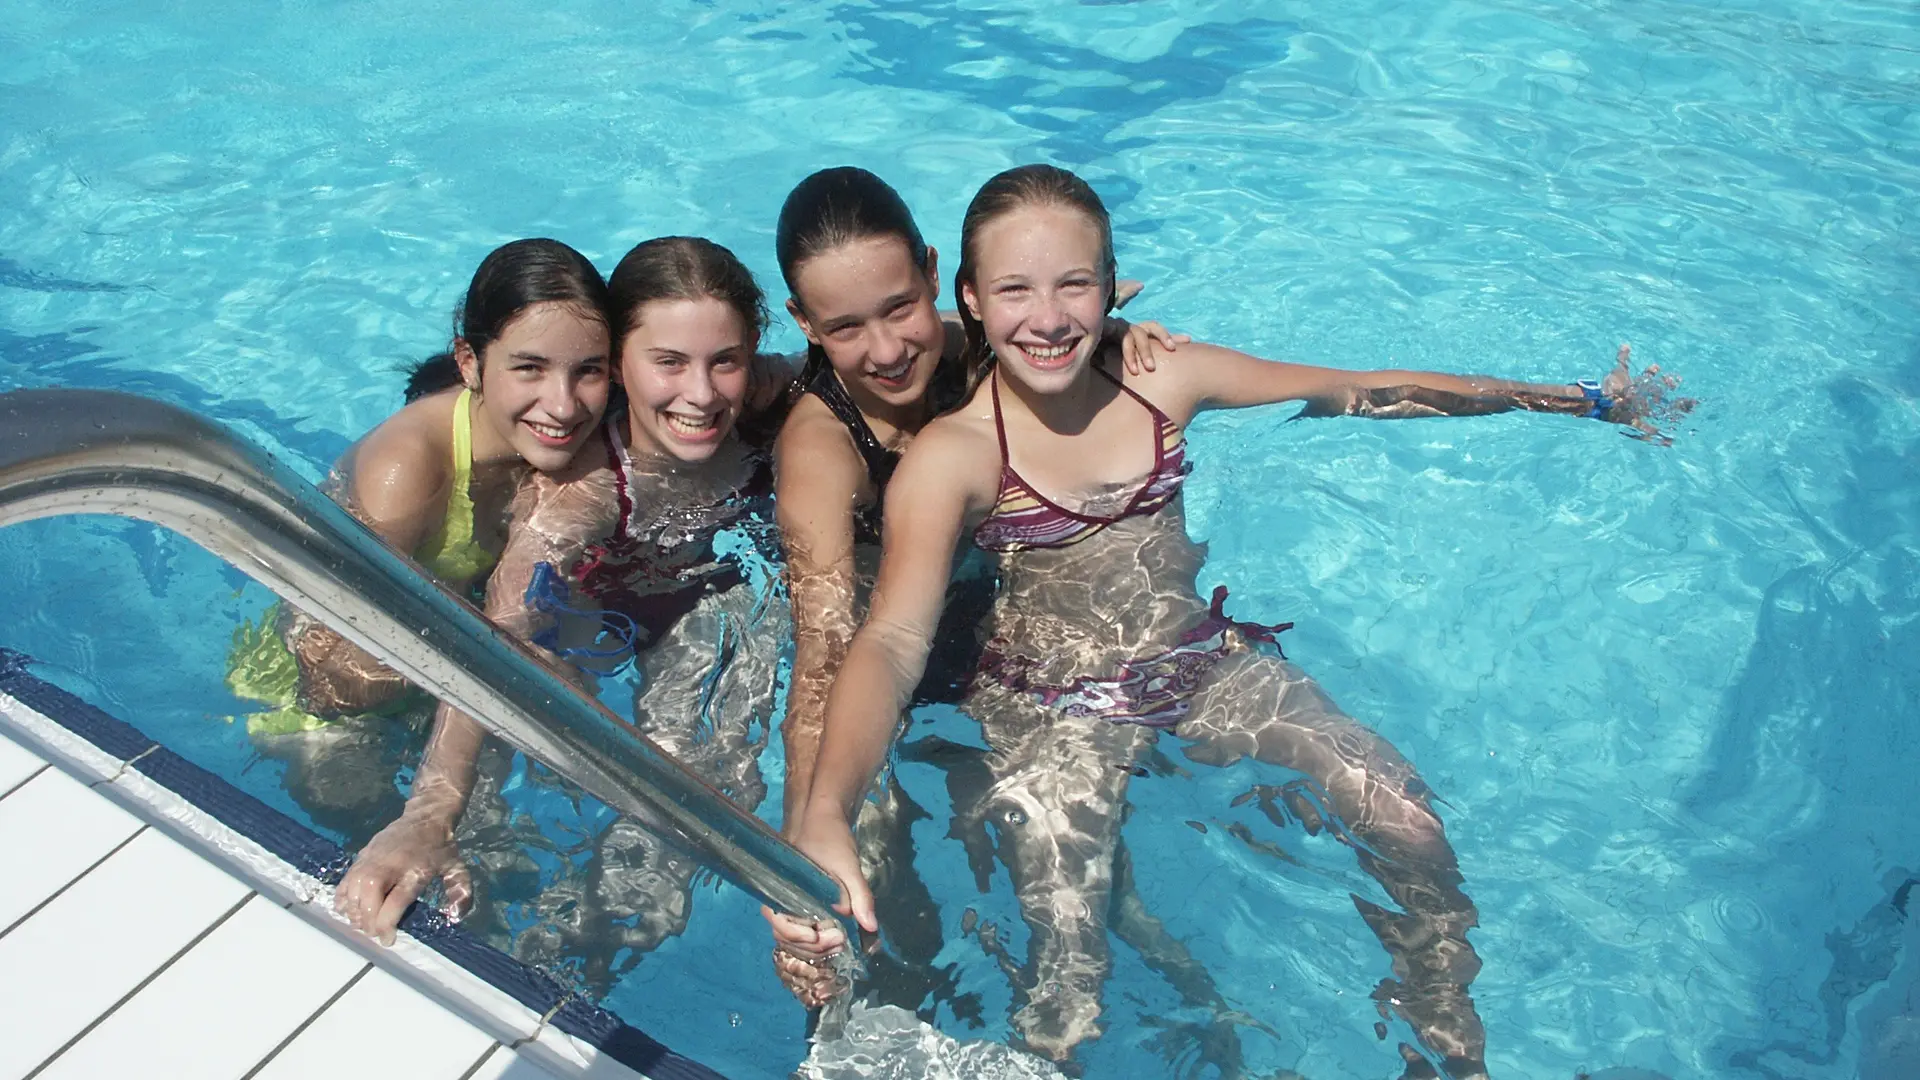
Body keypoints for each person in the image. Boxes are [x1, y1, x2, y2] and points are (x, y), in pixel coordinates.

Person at [777, 164, 1691, 1077]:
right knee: (1071, 980)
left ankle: (1447, 1042)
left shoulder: (1160, 376)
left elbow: (1359, 388)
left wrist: (1578, 401)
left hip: (1198, 664)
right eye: (1016, 290)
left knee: (1408, 819)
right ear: (970, 300)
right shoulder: (954, 454)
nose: (1048, 316)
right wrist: (823, 809)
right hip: (1054, 710)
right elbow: (890, 640)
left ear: (1111, 286)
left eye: (1076, 285)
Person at [764, 167, 1202, 1023]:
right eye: (846, 328)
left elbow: (1059, 306)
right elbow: (827, 653)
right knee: (879, 897)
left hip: (1002, 638)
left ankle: (1178, 1003)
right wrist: (804, 844)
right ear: (804, 325)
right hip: (880, 661)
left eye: (900, 308)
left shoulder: (983, 343)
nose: (888, 350)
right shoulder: (821, 452)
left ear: (937, 278)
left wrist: (1118, 332)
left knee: (1078, 872)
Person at [334, 235, 794, 995]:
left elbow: (842, 348)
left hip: (665, 607)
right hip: (360, 674)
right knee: (446, 807)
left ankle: (590, 964)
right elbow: (499, 637)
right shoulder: (568, 489)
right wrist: (430, 810)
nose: (703, 393)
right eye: (670, 362)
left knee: (702, 792)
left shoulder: (759, 398)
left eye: (726, 361)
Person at [226, 238, 614, 845]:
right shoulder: (404, 473)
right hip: (317, 711)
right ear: (469, 361)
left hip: (448, 681)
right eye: (529, 368)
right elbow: (331, 675)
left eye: (588, 370)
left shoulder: (552, 444)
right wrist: (511, 655)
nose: (564, 405)